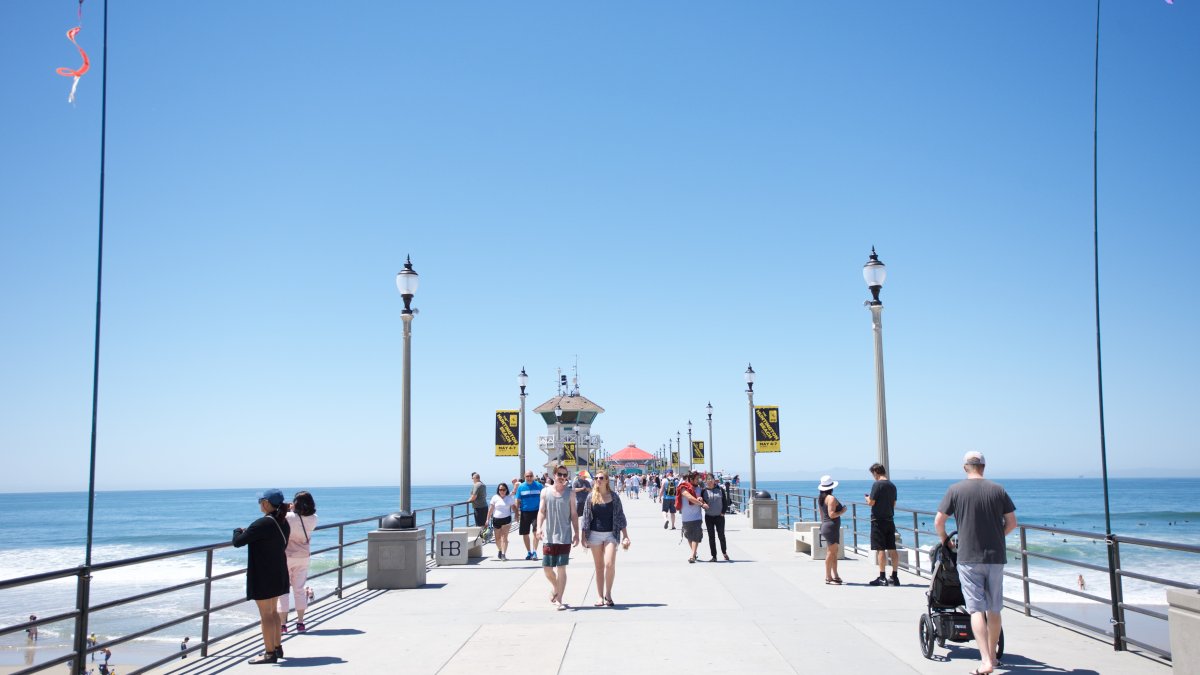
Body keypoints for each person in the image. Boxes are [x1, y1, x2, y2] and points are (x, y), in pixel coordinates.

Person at [935, 451, 1017, 675]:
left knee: (976, 610)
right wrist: (998, 536)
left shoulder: (956, 490)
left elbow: (939, 521)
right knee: (994, 608)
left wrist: (946, 541)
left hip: (968, 556)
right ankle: (993, 656)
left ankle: (985, 661)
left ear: (965, 468)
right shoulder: (998, 489)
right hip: (995, 556)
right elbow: (1012, 523)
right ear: (984, 466)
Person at [232, 488, 291, 664]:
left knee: (266, 615)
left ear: (266, 503)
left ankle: (269, 653)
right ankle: (277, 648)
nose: (259, 504)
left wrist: (237, 530)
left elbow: (238, 542)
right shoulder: (283, 522)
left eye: (260, 501)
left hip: (264, 574)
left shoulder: (262, 523)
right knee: (273, 612)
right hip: (278, 571)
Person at [580, 470, 630, 606]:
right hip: (594, 534)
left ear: (607, 480)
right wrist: (583, 537)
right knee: (599, 566)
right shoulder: (591, 497)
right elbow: (585, 518)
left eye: (601, 478)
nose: (598, 480)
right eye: (596, 478)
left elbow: (620, 516)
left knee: (609, 564)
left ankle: (608, 594)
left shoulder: (614, 497)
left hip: (611, 534)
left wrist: (625, 535)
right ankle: (599, 596)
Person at [536, 464, 580, 609]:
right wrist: (538, 528)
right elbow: (542, 511)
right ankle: (556, 587)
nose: (562, 477)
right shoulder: (545, 492)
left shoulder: (570, 493)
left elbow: (574, 514)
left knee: (561, 568)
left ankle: (560, 598)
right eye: (559, 474)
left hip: (564, 536)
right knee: (547, 569)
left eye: (564, 475)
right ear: (554, 475)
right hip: (549, 536)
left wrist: (577, 534)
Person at [279, 490, 318, 633]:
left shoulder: (288, 516)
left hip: (286, 556)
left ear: (295, 503)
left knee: (283, 590)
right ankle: (300, 622)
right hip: (303, 556)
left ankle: (283, 624)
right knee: (299, 589)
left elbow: (280, 518)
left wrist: (288, 509)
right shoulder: (314, 518)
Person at [865, 463, 900, 586]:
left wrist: (867, 498)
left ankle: (882, 577)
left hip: (878, 521)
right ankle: (895, 577)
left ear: (876, 472)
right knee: (892, 548)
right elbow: (894, 504)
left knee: (881, 549)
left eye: (873, 474)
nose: (873, 476)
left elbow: (872, 502)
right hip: (890, 520)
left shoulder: (877, 485)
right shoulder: (892, 486)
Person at [818, 475, 847, 584]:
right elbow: (832, 514)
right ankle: (828, 576)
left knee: (834, 552)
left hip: (827, 526)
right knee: (831, 552)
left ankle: (835, 575)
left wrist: (823, 525)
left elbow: (822, 514)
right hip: (831, 527)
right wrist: (842, 511)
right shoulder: (831, 498)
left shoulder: (821, 498)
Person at [515, 470, 544, 560]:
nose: (529, 477)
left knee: (536, 532)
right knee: (525, 533)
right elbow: (517, 500)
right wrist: (517, 513)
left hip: (536, 512)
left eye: (531, 476)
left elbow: (544, 498)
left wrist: (545, 511)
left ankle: (534, 551)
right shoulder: (521, 487)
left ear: (533, 476)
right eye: (527, 476)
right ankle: (529, 552)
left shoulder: (539, 486)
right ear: (524, 477)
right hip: (525, 512)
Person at [701, 474, 730, 561]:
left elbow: (725, 502)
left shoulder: (720, 489)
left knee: (721, 535)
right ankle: (714, 556)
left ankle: (724, 552)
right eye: (708, 479)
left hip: (719, 517)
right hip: (709, 517)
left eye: (711, 479)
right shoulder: (704, 491)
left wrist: (723, 512)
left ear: (714, 480)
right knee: (711, 537)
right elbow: (702, 503)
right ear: (705, 481)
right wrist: (703, 504)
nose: (710, 480)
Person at [679, 471, 706, 563]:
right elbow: (689, 497)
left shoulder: (699, 488)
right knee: (689, 537)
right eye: (697, 478)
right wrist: (701, 503)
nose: (698, 480)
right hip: (686, 517)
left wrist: (701, 499)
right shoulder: (683, 487)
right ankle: (694, 553)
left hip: (697, 517)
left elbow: (701, 498)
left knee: (696, 536)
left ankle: (692, 555)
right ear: (691, 479)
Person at [486, 481, 517, 560]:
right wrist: (487, 519)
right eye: (500, 490)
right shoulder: (495, 497)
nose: (502, 491)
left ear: (506, 490)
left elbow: (514, 507)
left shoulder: (509, 498)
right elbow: (491, 509)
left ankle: (503, 554)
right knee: (497, 539)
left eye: (503, 489)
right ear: (498, 490)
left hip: (506, 519)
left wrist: (517, 515)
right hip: (496, 520)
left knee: (504, 537)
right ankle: (500, 550)